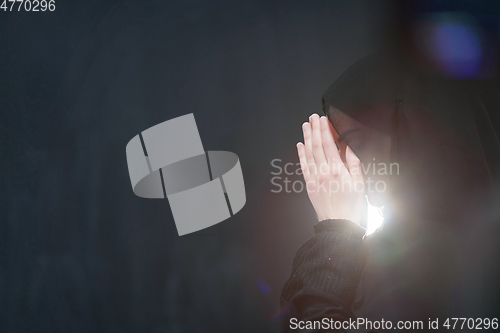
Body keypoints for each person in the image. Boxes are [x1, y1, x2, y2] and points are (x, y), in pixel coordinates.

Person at [280, 53, 500, 332]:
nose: (343, 162)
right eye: (338, 147)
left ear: (419, 137)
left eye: (356, 140)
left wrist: (335, 236)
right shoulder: (381, 250)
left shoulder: (475, 258)